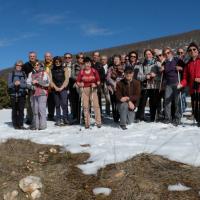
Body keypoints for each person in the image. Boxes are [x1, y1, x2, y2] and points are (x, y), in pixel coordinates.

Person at [160, 47, 184, 125]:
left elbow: (185, 68)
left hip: (177, 83)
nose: (167, 55)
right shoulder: (164, 63)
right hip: (168, 84)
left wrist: (181, 68)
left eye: (168, 53)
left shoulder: (177, 60)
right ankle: (167, 118)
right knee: (167, 101)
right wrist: (161, 70)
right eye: (165, 54)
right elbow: (163, 74)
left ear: (171, 53)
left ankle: (177, 118)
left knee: (177, 101)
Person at [178, 42, 200, 126]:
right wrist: (181, 84)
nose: (192, 51)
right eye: (190, 50)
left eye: (194, 49)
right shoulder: (187, 64)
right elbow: (185, 78)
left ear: (197, 51)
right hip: (192, 89)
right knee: (194, 108)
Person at [136, 49, 161, 122]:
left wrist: (155, 75)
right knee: (142, 102)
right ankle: (140, 117)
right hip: (145, 86)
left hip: (154, 86)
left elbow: (161, 76)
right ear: (144, 56)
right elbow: (138, 76)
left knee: (153, 103)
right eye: (146, 54)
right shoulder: (142, 65)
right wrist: (145, 76)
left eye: (149, 54)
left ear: (152, 55)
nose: (148, 56)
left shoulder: (157, 64)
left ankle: (153, 117)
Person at [76, 57, 101, 129]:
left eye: (89, 63)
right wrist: (80, 84)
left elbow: (98, 81)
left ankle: (98, 122)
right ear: (84, 64)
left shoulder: (94, 71)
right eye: (86, 63)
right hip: (84, 90)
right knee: (85, 106)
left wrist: (95, 84)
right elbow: (77, 81)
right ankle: (87, 123)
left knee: (96, 106)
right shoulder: (81, 72)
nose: (87, 65)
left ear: (90, 64)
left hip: (93, 90)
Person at [27, 61, 50, 130]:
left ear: (40, 65)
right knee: (35, 110)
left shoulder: (44, 73)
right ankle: (35, 125)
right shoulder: (30, 74)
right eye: (35, 65)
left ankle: (42, 126)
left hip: (42, 93)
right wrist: (32, 86)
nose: (36, 66)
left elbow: (47, 83)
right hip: (33, 94)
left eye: (38, 65)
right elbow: (27, 83)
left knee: (41, 109)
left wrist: (38, 82)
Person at [8, 60, 27, 129]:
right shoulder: (11, 73)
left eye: (20, 65)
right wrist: (14, 83)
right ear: (15, 65)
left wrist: (20, 84)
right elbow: (9, 85)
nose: (19, 67)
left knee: (21, 110)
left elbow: (26, 85)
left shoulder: (24, 74)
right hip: (13, 94)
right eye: (17, 65)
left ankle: (21, 124)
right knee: (14, 109)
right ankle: (15, 124)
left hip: (22, 94)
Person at [51, 56, 70, 126]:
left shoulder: (65, 69)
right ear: (54, 62)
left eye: (59, 61)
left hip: (63, 88)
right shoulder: (51, 70)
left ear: (61, 62)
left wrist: (62, 87)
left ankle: (65, 118)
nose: (57, 63)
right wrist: (55, 87)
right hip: (55, 89)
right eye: (56, 62)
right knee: (57, 104)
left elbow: (67, 79)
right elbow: (50, 80)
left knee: (64, 104)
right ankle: (58, 119)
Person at [106, 55, 124, 122]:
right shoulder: (110, 68)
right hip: (112, 88)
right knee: (114, 103)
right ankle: (115, 117)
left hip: (121, 88)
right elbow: (108, 78)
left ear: (120, 60)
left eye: (117, 59)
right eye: (114, 59)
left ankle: (122, 116)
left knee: (120, 102)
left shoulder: (123, 67)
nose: (115, 60)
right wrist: (114, 83)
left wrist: (118, 83)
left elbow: (124, 77)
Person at [22, 51, 37, 125]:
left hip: (38, 87)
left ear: (36, 56)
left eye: (33, 56)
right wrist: (25, 86)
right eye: (31, 56)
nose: (32, 57)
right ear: (29, 57)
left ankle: (37, 118)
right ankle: (29, 118)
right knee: (29, 104)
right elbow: (23, 76)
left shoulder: (39, 64)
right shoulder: (25, 65)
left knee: (37, 103)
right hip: (29, 87)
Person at [69, 53, 85, 123]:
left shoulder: (86, 65)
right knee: (76, 102)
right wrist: (79, 80)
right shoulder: (74, 65)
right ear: (77, 58)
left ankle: (85, 117)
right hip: (76, 84)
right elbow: (72, 75)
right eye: (79, 57)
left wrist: (84, 80)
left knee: (85, 102)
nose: (80, 59)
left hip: (85, 84)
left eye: (82, 57)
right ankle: (76, 117)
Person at [42, 52, 55, 121]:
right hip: (44, 85)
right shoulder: (42, 65)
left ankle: (51, 115)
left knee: (52, 101)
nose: (48, 57)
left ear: (51, 57)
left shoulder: (54, 64)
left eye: (49, 56)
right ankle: (42, 115)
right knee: (43, 101)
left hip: (52, 85)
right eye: (46, 56)